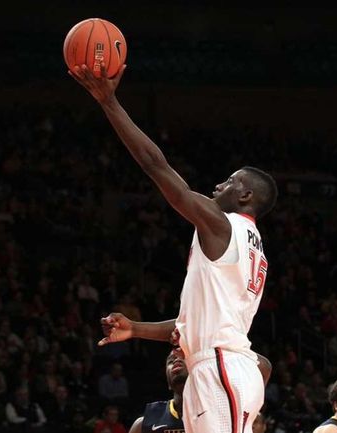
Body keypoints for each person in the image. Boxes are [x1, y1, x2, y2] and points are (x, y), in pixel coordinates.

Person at [72, 62, 278, 433]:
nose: (218, 186)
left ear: (246, 195)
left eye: (230, 182)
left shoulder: (223, 225)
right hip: (219, 366)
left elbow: (156, 166)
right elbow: (190, 325)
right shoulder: (251, 246)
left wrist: (110, 103)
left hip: (220, 370)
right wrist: (135, 329)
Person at [129, 349, 272, 433]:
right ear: (167, 382)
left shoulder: (225, 409)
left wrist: (216, 346)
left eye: (185, 356)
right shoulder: (145, 423)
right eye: (171, 361)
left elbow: (263, 366)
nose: (177, 361)